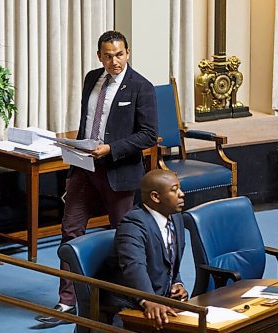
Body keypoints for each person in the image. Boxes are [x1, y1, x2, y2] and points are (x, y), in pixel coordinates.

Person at [32, 30, 158, 329]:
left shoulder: (141, 87)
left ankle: (128, 300)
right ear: (99, 56)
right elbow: (86, 125)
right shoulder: (92, 78)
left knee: (124, 237)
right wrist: (74, 158)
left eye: (119, 54)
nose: (114, 61)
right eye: (108, 56)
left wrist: (111, 149)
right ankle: (67, 301)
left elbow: (148, 134)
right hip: (84, 169)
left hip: (119, 172)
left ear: (128, 52)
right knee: (70, 231)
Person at [103, 169, 188, 330]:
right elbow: (134, 266)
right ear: (155, 197)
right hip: (129, 304)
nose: (182, 194)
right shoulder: (133, 224)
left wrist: (177, 283)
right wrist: (149, 300)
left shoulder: (175, 217)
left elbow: (169, 259)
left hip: (163, 299)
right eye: (174, 190)